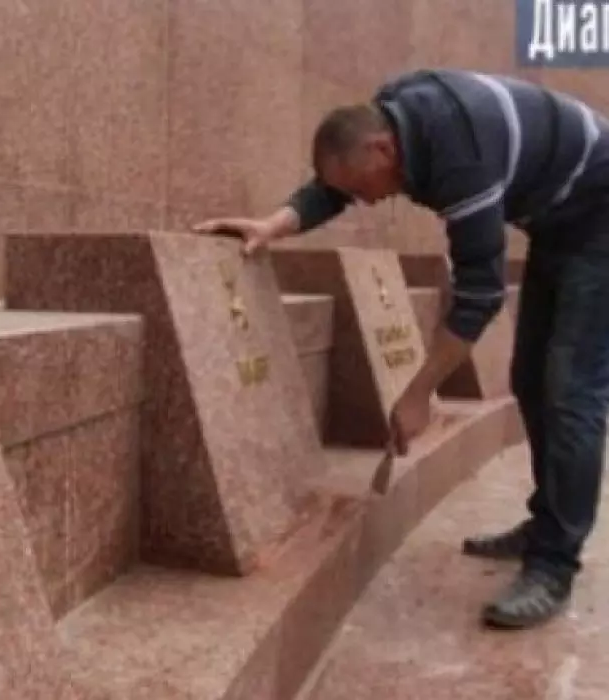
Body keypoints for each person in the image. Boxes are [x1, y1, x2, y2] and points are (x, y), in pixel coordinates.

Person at [194, 68, 609, 631]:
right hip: (560, 222)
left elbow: (479, 297)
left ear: (384, 148)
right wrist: (274, 225)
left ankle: (554, 565)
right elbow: (335, 186)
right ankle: (547, 523)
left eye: (363, 187)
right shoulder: (392, 112)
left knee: (570, 389)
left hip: (599, 217)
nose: (364, 202)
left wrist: (418, 395)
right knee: (531, 380)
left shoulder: (461, 158)